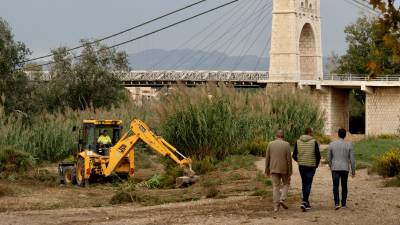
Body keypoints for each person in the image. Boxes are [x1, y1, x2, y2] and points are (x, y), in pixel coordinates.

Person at [327, 128, 356, 210]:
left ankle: (336, 203)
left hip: (335, 168)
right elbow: (352, 159)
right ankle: (343, 203)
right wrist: (353, 170)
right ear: (345, 135)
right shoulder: (349, 144)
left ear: (338, 134)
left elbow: (328, 158)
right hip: (345, 168)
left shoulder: (332, 144)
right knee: (344, 186)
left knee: (335, 186)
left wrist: (330, 166)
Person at [293, 127, 321, 212]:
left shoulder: (298, 142)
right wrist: (316, 165)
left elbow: (294, 155)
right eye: (312, 132)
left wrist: (300, 161)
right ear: (309, 132)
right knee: (308, 184)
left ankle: (306, 202)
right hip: (311, 166)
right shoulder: (314, 142)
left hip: (301, 166)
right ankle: (304, 201)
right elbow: (318, 155)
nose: (313, 133)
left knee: (304, 183)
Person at [265, 130, 293, 212]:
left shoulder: (270, 144)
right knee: (286, 183)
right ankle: (282, 198)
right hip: (284, 169)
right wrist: (290, 170)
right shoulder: (287, 144)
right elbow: (289, 159)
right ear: (283, 136)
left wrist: (267, 169)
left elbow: (267, 158)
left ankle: (275, 207)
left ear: (276, 136)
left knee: (275, 187)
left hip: (273, 168)